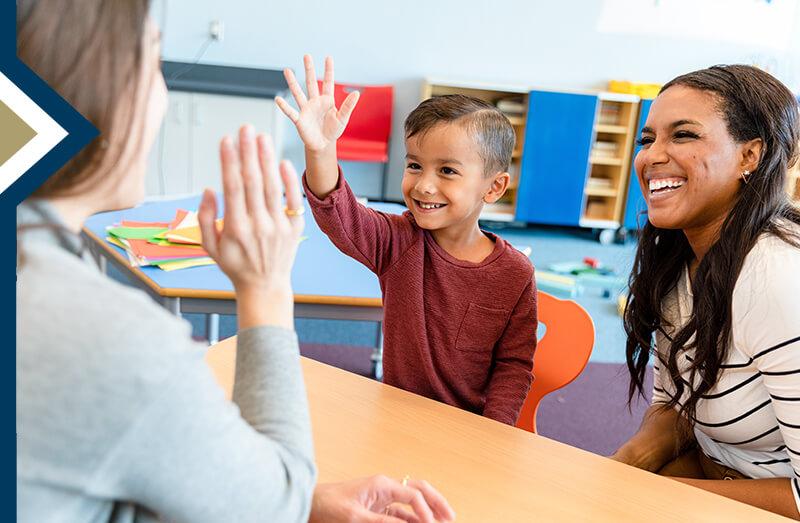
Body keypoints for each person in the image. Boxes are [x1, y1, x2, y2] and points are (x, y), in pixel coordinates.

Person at [16, 2, 455, 522]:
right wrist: (265, 285)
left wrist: (299, 499)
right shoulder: (109, 338)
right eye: (153, 65)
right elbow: (271, 507)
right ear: (97, 91)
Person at [276, 55, 537, 426]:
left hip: (471, 432)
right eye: (414, 165)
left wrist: (491, 434)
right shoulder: (399, 242)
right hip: (396, 421)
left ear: (493, 187)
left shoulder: (515, 273)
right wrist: (321, 149)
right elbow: (340, 215)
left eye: (447, 170)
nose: (424, 184)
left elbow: (513, 365)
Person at [611, 64, 800, 520]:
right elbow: (674, 404)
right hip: (712, 472)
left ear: (749, 156)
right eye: (647, 139)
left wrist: (665, 496)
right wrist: (618, 469)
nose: (652, 156)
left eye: (683, 135)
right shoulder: (678, 256)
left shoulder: (776, 279)